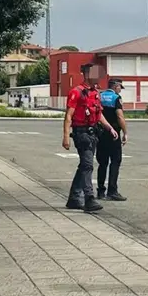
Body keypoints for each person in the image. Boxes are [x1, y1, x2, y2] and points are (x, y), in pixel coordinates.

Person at [63, 63, 119, 212]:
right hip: (81, 133)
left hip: (93, 133)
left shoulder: (95, 93)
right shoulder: (76, 92)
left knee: (84, 166)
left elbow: (98, 114)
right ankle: (89, 198)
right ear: (87, 74)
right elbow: (69, 115)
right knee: (88, 165)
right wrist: (66, 137)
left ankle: (74, 198)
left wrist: (110, 128)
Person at [96, 78, 128, 201]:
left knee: (102, 163)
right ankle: (112, 190)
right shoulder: (116, 98)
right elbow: (120, 116)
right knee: (115, 161)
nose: (120, 90)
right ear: (116, 86)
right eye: (120, 87)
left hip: (101, 133)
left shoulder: (100, 96)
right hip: (113, 134)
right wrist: (125, 132)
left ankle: (100, 191)